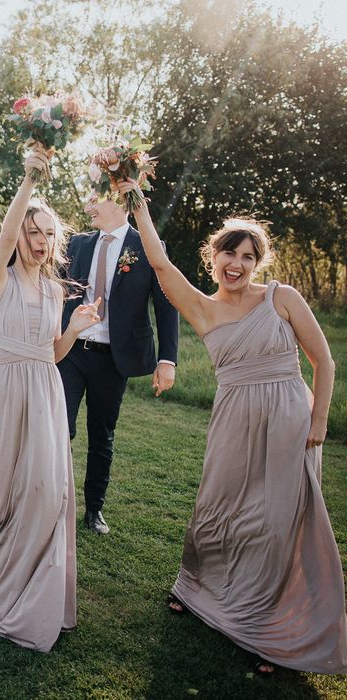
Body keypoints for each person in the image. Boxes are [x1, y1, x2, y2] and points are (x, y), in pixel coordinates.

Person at [117, 177, 347, 675]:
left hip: (290, 420)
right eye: (229, 254)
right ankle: (194, 588)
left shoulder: (281, 298)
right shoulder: (202, 308)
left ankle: (266, 626)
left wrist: (320, 419)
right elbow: (159, 263)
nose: (237, 265)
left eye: (248, 257)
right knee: (218, 509)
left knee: (273, 522)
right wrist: (135, 200)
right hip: (233, 422)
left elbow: (324, 361)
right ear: (214, 257)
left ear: (257, 263)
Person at [0, 151, 101, 652]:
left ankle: (34, 578)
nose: (40, 243)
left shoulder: (57, 288)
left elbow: (52, 353)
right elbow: (11, 222)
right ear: (18, 236)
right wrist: (30, 178)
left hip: (45, 390)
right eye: (32, 233)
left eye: (48, 235)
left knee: (45, 489)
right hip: (2, 389)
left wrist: (75, 330)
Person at [59, 188, 179, 534]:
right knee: (58, 429)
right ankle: (55, 503)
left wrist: (167, 359)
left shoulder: (147, 246)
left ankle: (94, 510)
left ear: (119, 202)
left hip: (114, 358)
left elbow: (166, 303)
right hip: (70, 351)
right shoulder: (77, 244)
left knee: (102, 435)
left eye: (96, 198)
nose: (88, 205)